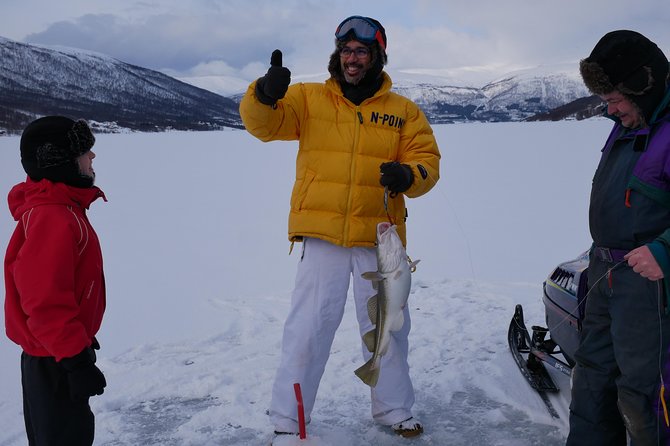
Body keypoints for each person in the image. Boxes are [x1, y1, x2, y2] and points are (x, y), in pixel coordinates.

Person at [240, 15, 440, 444]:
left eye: (361, 51)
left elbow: (427, 162)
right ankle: (289, 418)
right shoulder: (308, 99)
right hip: (322, 234)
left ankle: (394, 409)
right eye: (346, 51)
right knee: (308, 327)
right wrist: (264, 94)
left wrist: (409, 176)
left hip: (380, 239)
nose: (352, 58)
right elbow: (263, 125)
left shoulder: (402, 111)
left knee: (388, 326)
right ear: (338, 55)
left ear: (376, 56)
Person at [567, 30, 670, 445]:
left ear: (642, 84)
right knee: (591, 378)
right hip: (604, 272)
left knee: (645, 394)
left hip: (649, 288)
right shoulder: (627, 125)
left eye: (615, 99)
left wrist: (666, 249)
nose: (609, 109)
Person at [4, 116, 108, 446]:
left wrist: (77, 342)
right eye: (84, 151)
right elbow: (44, 301)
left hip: (55, 352)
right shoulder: (54, 216)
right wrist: (74, 359)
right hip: (54, 360)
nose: (92, 157)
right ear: (59, 161)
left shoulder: (62, 208)